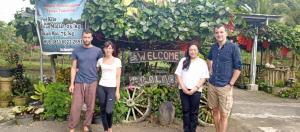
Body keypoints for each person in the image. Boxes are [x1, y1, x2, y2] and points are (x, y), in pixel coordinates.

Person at [206, 24, 242, 132]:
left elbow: (238, 68)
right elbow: (209, 58)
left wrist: (231, 83)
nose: (219, 34)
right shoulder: (214, 47)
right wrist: (210, 70)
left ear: (226, 33)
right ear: (214, 34)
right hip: (212, 84)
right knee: (215, 111)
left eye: (221, 32)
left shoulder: (233, 48)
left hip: (225, 86)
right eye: (217, 32)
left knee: (224, 115)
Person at [68, 29, 103, 132]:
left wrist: (91, 71)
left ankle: (86, 126)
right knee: (75, 106)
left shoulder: (98, 51)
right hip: (79, 81)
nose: (86, 39)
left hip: (92, 81)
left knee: (90, 106)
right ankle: (72, 127)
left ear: (91, 38)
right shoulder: (77, 50)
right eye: (85, 37)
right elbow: (74, 68)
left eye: (88, 37)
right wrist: (72, 84)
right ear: (82, 37)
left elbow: (98, 66)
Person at [175, 43, 210, 132]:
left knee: (194, 112)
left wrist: (195, 88)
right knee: (185, 111)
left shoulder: (202, 63)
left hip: (196, 90)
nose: (193, 51)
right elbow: (178, 75)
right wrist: (183, 88)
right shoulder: (183, 60)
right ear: (188, 51)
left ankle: (192, 130)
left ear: (198, 51)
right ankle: (186, 130)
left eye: (195, 50)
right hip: (183, 90)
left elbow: (204, 77)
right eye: (191, 50)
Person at [96, 41, 122, 132]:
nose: (108, 49)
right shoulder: (100, 61)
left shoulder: (117, 61)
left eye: (110, 48)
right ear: (104, 49)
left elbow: (118, 77)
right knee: (102, 110)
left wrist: (117, 91)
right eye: (107, 48)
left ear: (113, 50)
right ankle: (106, 129)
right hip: (101, 87)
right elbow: (94, 72)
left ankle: (109, 127)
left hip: (112, 87)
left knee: (108, 111)